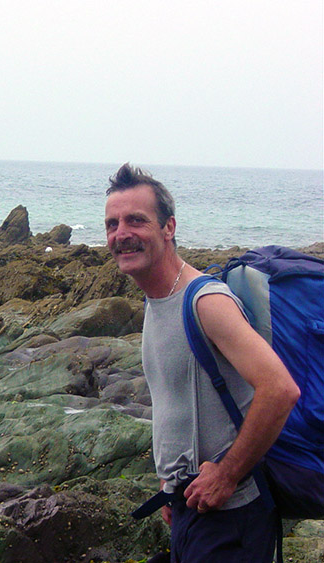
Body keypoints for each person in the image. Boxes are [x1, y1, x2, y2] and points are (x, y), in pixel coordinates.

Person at [104, 163, 300, 562]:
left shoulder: (206, 302)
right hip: (190, 508)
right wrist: (170, 482)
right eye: (112, 223)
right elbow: (176, 401)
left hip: (233, 518)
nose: (121, 233)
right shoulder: (156, 301)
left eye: (136, 220)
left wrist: (227, 475)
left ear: (168, 228)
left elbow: (280, 389)